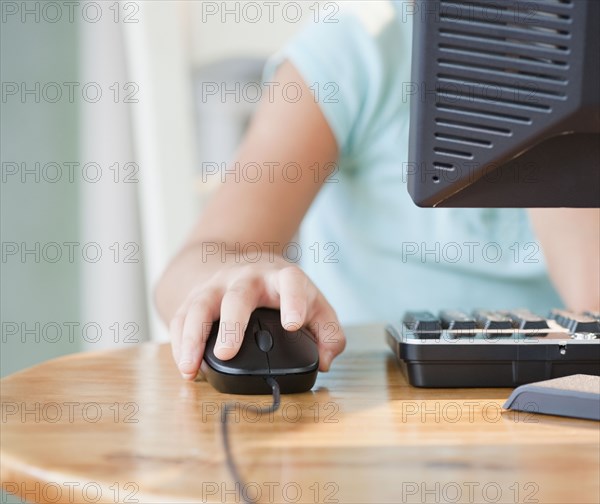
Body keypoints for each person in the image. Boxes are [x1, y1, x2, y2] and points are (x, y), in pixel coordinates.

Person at [155, 2, 600, 380]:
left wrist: (564, 110)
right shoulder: (357, 47)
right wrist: (236, 278)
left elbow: (592, 306)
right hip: (369, 401)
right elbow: (199, 259)